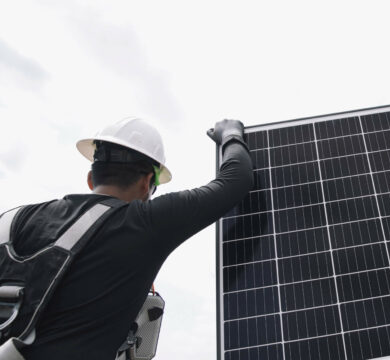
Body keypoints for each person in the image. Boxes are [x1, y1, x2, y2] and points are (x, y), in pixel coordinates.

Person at [0, 117, 253, 359]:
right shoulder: (142, 223)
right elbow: (235, 181)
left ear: (90, 178)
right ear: (146, 184)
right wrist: (230, 134)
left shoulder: (13, 220)